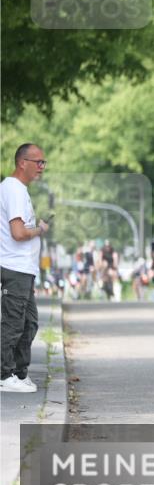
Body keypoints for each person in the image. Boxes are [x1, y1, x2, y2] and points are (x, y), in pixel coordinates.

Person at [1, 143, 50, 393]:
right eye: (38, 162)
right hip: (15, 268)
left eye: (43, 162)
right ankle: (4, 374)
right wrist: (39, 230)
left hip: (24, 270)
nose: (42, 167)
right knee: (13, 324)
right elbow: (18, 233)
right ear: (23, 163)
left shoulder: (19, 190)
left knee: (29, 323)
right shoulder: (14, 189)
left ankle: (19, 374)